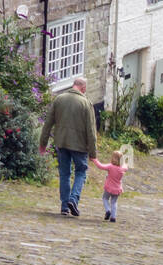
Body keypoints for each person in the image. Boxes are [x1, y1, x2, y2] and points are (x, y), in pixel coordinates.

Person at [38, 76, 97, 217]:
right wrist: (93, 153)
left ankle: (64, 207)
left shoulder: (59, 99)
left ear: (73, 85)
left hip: (62, 142)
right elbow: (91, 130)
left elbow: (48, 123)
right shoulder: (86, 103)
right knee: (81, 172)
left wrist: (43, 143)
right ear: (83, 88)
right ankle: (73, 199)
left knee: (64, 174)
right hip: (80, 145)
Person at [92, 149, 127, 222]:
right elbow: (126, 166)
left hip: (108, 187)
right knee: (114, 202)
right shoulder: (122, 169)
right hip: (117, 189)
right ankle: (113, 217)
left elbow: (100, 166)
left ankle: (108, 210)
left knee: (105, 198)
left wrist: (94, 159)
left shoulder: (110, 166)